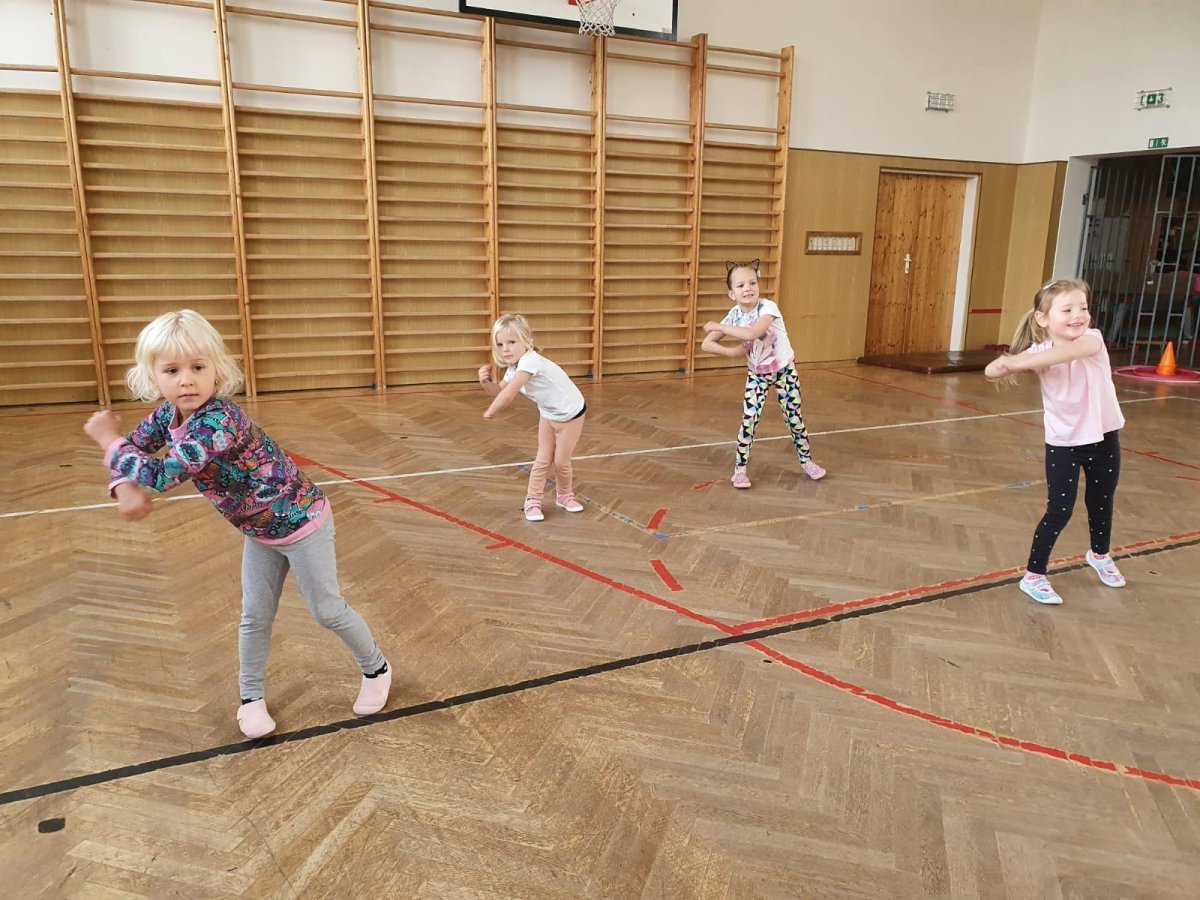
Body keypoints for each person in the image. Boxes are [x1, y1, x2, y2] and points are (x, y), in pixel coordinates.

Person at [82, 310, 390, 739]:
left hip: (303, 524)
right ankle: (250, 697)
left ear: (217, 370)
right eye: (172, 371)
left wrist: (107, 442)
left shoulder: (217, 421)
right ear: (152, 377)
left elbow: (164, 474)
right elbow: (134, 449)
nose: (186, 381)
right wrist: (122, 485)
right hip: (259, 531)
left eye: (197, 367)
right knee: (254, 616)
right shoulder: (167, 416)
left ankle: (377, 668)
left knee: (327, 611)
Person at [985, 279, 1126, 605]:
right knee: (1059, 509)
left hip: (1104, 438)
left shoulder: (1092, 340)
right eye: (1067, 310)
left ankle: (1100, 556)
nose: (1079, 315)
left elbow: (1070, 352)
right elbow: (991, 371)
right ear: (1043, 318)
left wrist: (1017, 362)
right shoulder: (1038, 353)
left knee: (1101, 501)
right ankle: (1034, 575)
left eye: (1083, 308)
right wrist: (1007, 363)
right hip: (1064, 444)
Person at [701, 260, 826, 488]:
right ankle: (740, 471)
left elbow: (753, 333)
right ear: (732, 294)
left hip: (784, 372)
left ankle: (807, 462)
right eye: (741, 285)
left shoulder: (768, 307)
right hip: (757, 375)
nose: (748, 288)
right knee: (749, 420)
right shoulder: (734, 315)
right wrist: (732, 352)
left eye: (752, 283)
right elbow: (706, 344)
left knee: (794, 418)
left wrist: (720, 326)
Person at [479, 313, 586, 522]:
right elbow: (499, 392)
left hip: (571, 416)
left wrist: (491, 411)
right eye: (500, 344)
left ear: (527, 341)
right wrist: (485, 383)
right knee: (542, 459)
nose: (505, 349)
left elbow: (508, 396)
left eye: (511, 342)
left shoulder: (531, 361)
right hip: (548, 414)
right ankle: (532, 501)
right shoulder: (514, 368)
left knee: (561, 462)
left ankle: (564, 496)